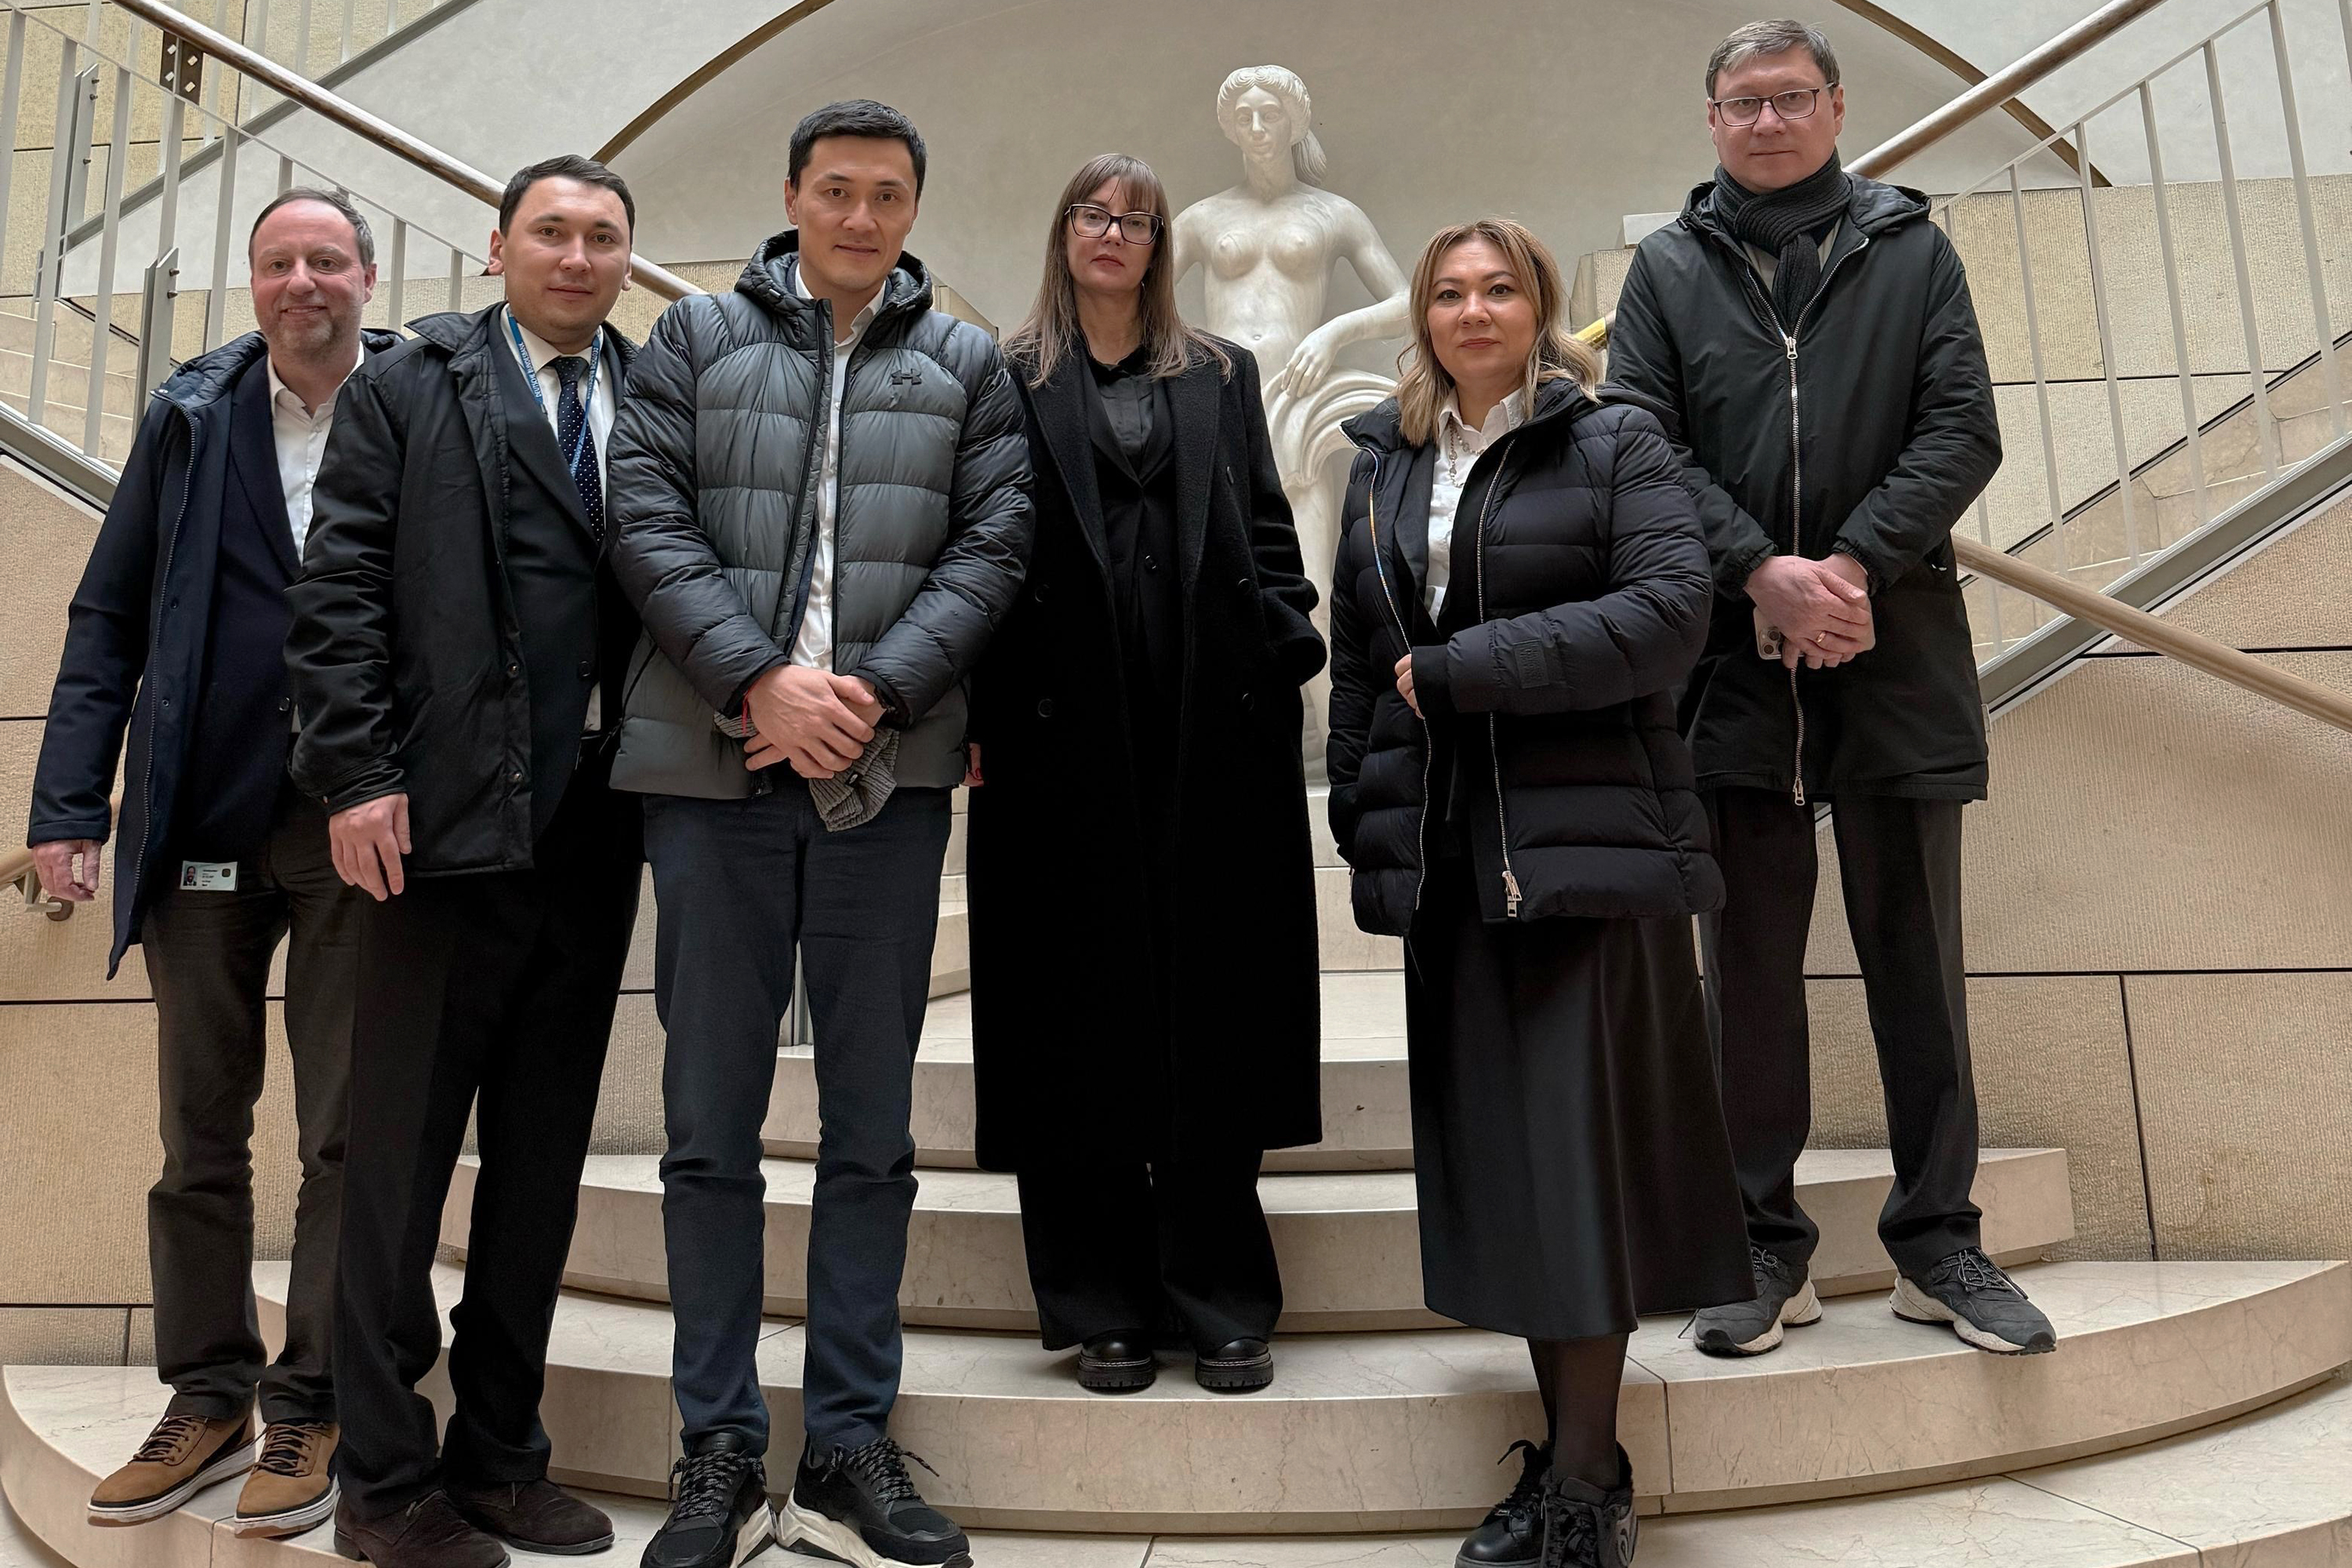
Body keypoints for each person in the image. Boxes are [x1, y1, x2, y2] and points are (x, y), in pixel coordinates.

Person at [604, 100, 1033, 1568]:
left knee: (871, 1134)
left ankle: (850, 1440)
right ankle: (717, 1446)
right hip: (713, 775)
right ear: (791, 195)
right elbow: (643, 515)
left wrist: (880, 692)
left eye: (889, 195)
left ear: (916, 209)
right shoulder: (693, 341)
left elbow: (996, 545)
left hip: (884, 780)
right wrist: (757, 680)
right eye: (836, 190)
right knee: (711, 1134)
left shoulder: (968, 361)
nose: (861, 216)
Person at [1605, 19, 2053, 1361]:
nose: (1767, 120)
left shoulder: (1910, 247)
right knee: (1744, 971)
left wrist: (1848, 566)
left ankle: (1940, 1247)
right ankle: (1761, 1249)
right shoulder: (1668, 269)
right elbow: (1637, 437)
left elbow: (1961, 425)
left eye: (1791, 96)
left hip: (1893, 650)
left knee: (1915, 955)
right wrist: (1761, 577)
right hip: (1733, 674)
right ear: (1711, 120)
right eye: (1742, 101)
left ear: (1838, 106)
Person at [1325, 218, 1751, 1568]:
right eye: (1447, 291)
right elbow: (1359, 664)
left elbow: (1673, 615)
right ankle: (1571, 1460)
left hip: (1582, 854)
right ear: (1421, 314)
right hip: (1454, 859)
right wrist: (1361, 816)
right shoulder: (1384, 462)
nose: (1472, 310)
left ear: (1543, 307)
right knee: (1512, 1170)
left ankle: (1584, 1484)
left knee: (1576, 1166)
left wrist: (1471, 669)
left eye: (1499, 287)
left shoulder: (1613, 439)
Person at [285, 154, 644, 1568]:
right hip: (433, 837)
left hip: (593, 834)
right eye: (550, 230)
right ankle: (383, 1483)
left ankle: (500, 1454)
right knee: (398, 1171)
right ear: (497, 246)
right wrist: (358, 773)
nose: (575, 254)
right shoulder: (407, 386)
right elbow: (341, 591)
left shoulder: (656, 393)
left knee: (542, 1166)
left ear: (627, 259)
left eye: (602, 236)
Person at [26, 188, 390, 1541]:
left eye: (328, 261)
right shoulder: (189, 421)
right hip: (201, 828)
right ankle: (209, 1393)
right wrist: (70, 807)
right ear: (254, 285)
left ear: (369, 274)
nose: (306, 283)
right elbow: (108, 614)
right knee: (199, 1138)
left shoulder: (419, 409)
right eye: (280, 262)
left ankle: (317, 1402)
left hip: (363, 831)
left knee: (351, 1135)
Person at [967, 154, 1324, 1397]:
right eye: (1093, 214)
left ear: (1161, 242)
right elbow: (969, 548)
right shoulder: (1001, 374)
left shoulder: (1219, 372)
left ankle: (1219, 1297)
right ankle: (1098, 1302)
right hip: (1052, 740)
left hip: (1211, 732)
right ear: (1062, 231)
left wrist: (1285, 643)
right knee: (1072, 1015)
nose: (1114, 234)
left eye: (1137, 219)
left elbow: (1269, 530)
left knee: (1215, 1014)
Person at [1170, 64, 1410, 770]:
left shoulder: (1333, 213)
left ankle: (1335, 734)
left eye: (1268, 113)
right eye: (1241, 115)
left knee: (1314, 581)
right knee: (1216, 578)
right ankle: (1259, 735)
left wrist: (1330, 334)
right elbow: (1137, 300)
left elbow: (1404, 300)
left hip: (1298, 404)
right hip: (1218, 408)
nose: (1254, 127)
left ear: (1296, 122)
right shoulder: (1205, 217)